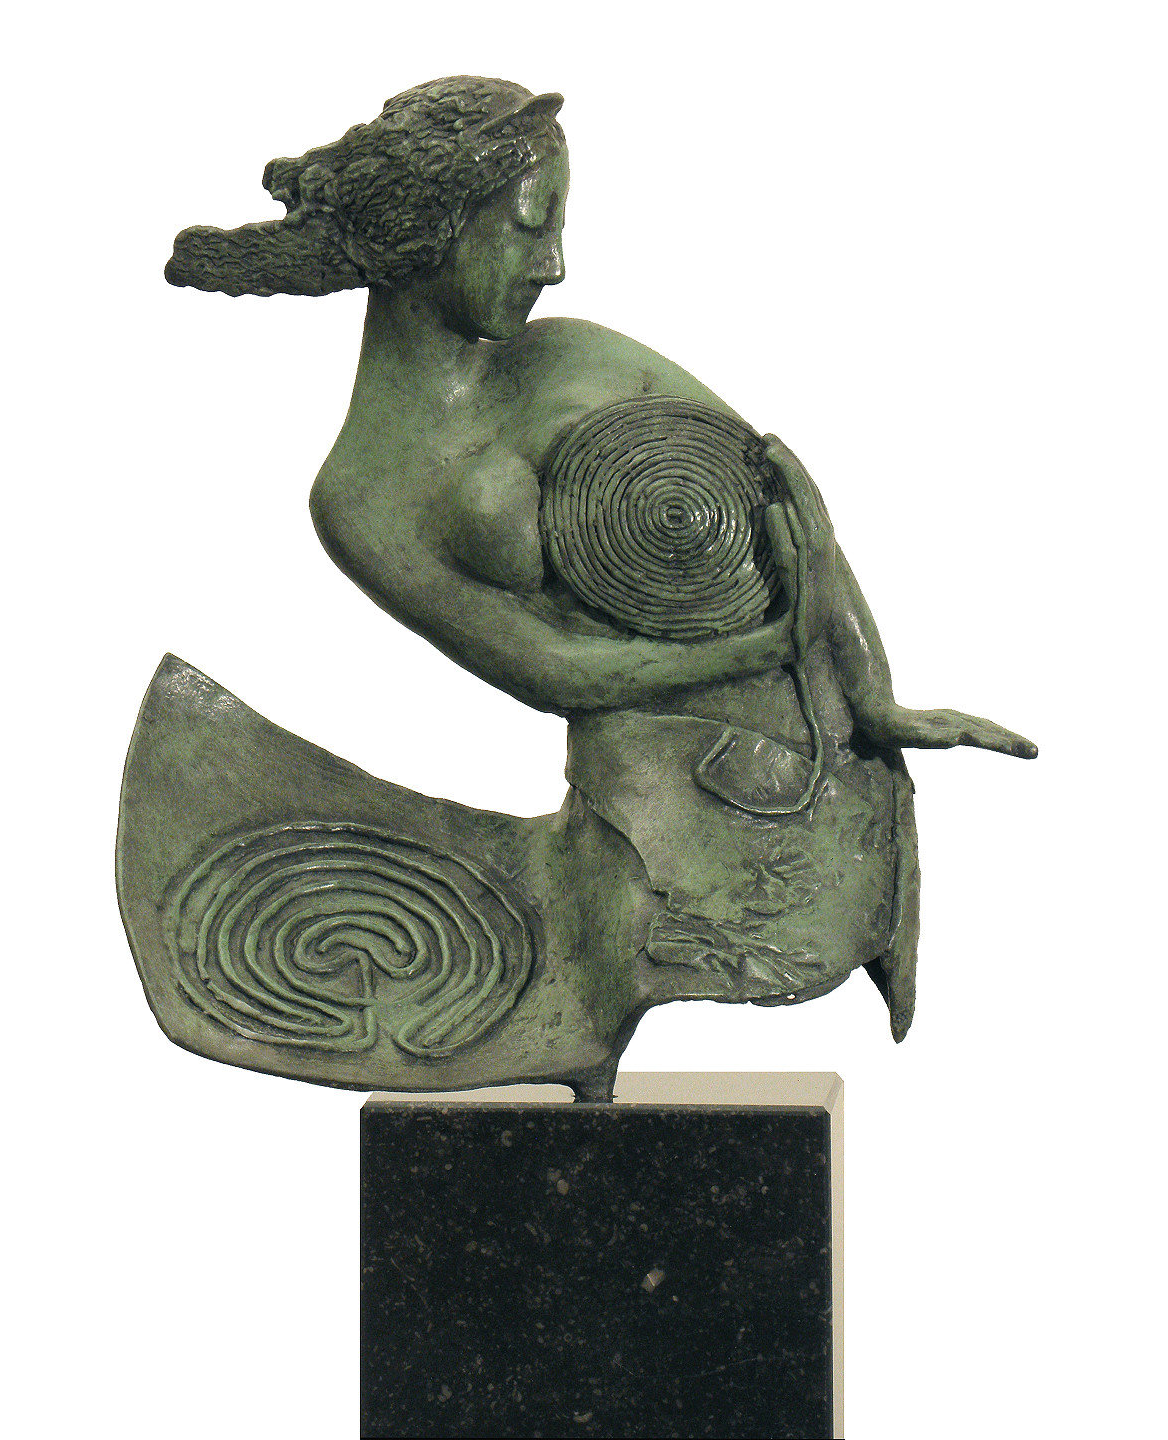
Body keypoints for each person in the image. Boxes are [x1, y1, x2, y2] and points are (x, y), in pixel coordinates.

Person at [161, 76, 1034, 1088]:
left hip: (799, 757)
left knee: (698, 933)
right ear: (428, 233)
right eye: (531, 226)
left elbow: (786, 502)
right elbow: (550, 670)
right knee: (542, 963)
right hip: (632, 812)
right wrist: (760, 644)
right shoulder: (360, 495)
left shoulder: (574, 359)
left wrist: (872, 696)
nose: (556, 265)